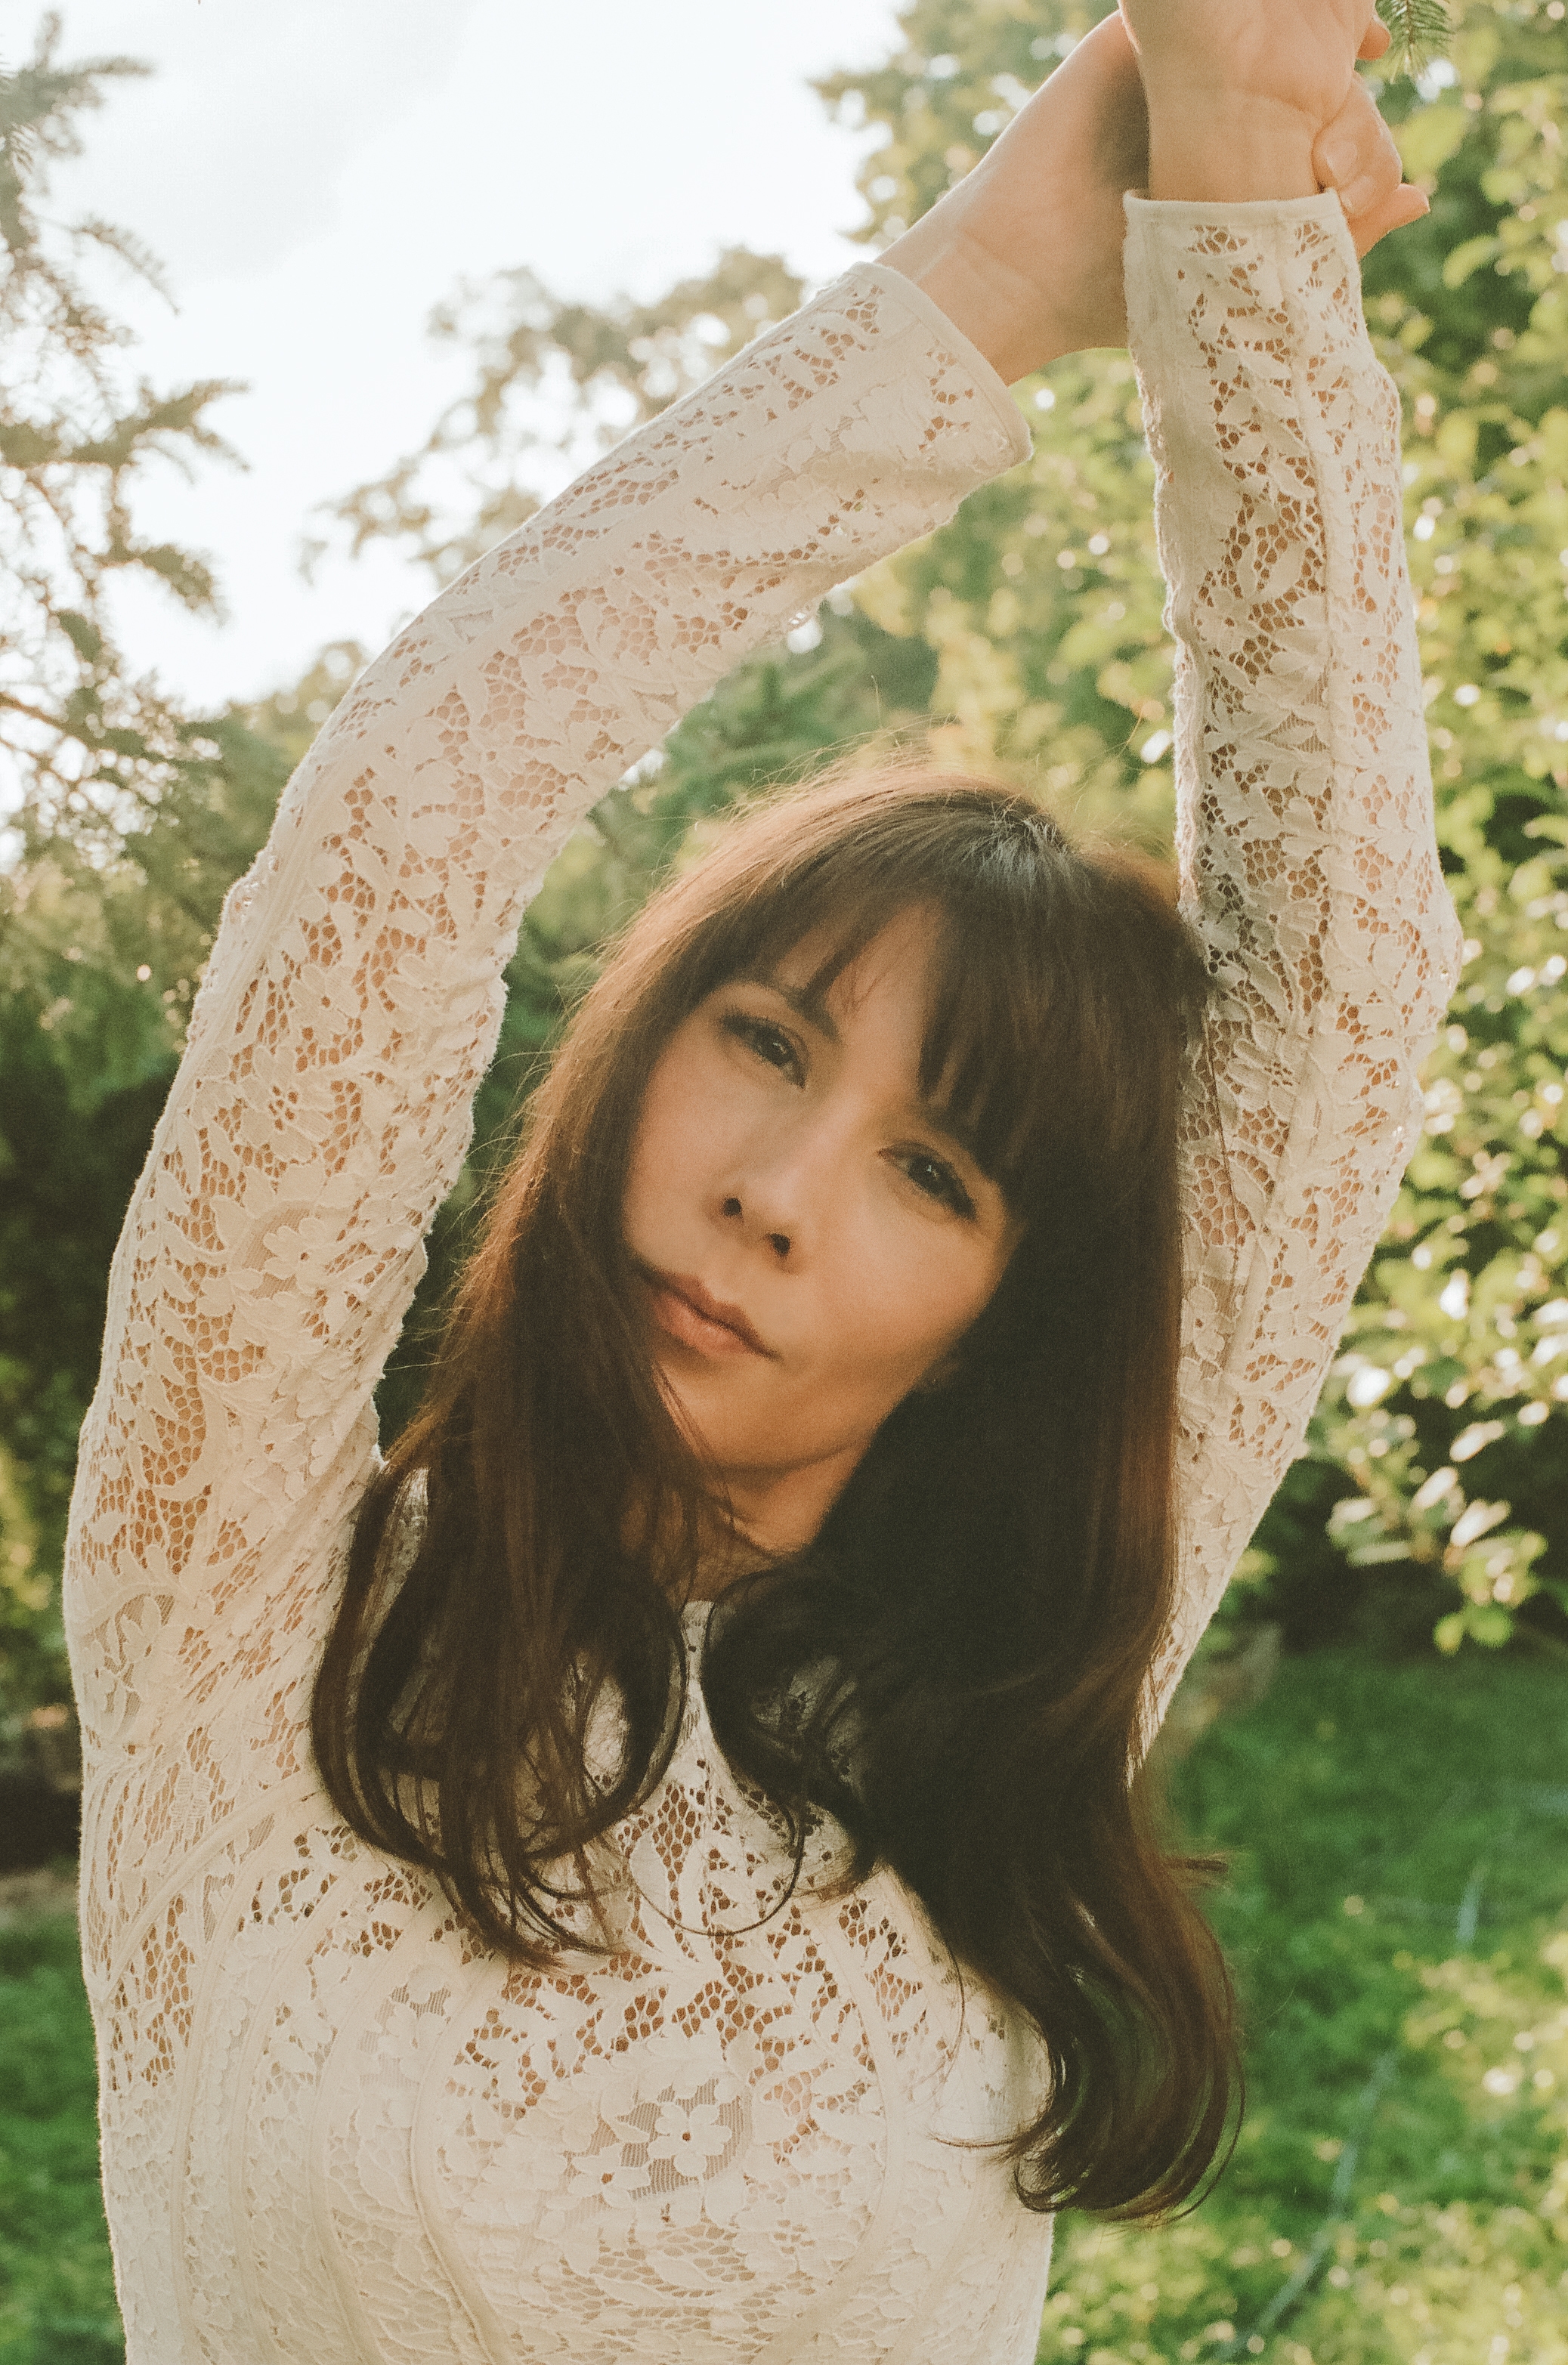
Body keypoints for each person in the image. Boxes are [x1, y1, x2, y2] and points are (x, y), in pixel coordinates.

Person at [63, 3, 1461, 2358]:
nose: (781, 1193)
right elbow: (404, 815)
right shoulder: (238, 1602)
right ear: (631, 1058)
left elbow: (1340, 994)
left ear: (1004, 1312)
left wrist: (1234, 196)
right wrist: (988, 283)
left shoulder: (1015, 1698)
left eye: (931, 1168)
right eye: (767, 1040)